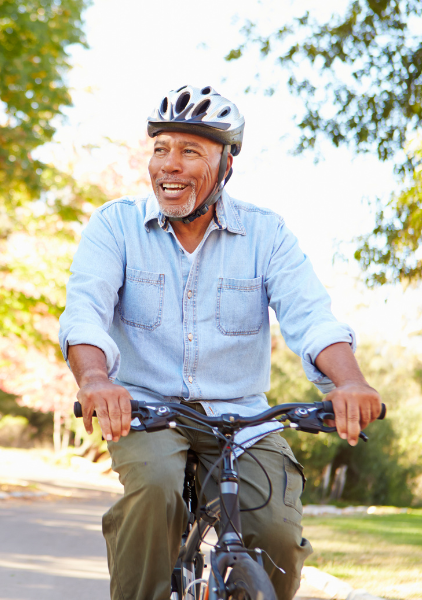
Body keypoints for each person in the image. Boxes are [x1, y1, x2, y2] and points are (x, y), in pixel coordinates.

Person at [58, 85, 382, 600]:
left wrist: (349, 382)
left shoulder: (266, 234)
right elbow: (86, 314)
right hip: (149, 413)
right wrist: (96, 379)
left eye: (190, 152)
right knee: (155, 491)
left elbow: (311, 317)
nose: (170, 165)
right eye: (161, 149)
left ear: (226, 164)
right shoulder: (115, 226)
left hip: (240, 418)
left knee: (276, 532)